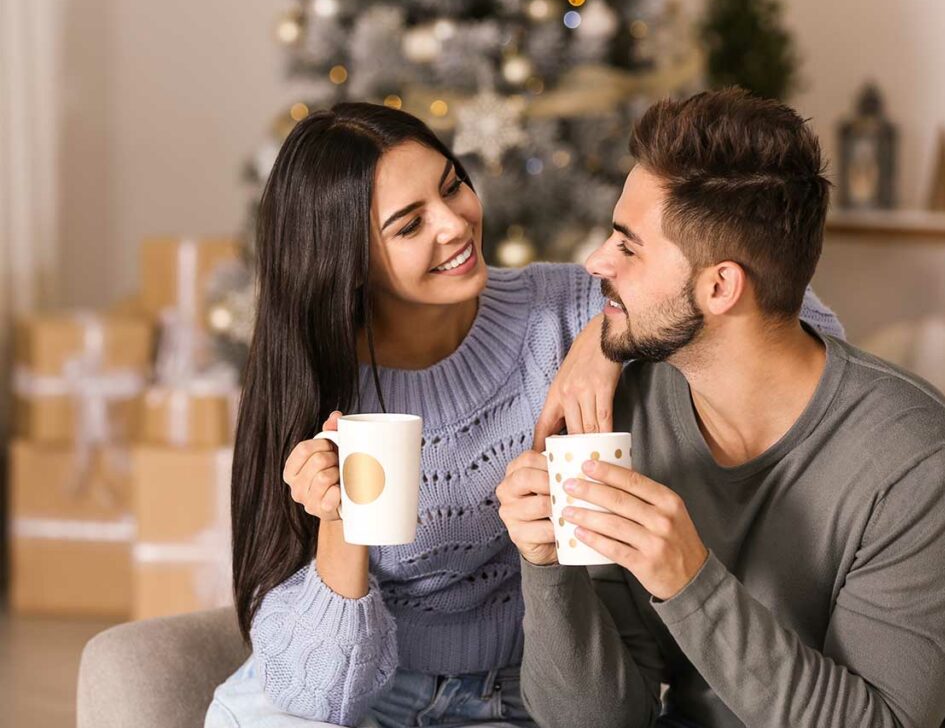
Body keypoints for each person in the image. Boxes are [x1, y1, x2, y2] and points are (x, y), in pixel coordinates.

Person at [204, 101, 843, 728]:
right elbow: (317, 697)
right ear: (345, 261)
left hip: (527, 697)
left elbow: (799, 318)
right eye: (408, 225)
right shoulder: (312, 383)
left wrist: (602, 338)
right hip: (375, 695)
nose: (453, 225)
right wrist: (338, 522)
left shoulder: (559, 311)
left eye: (452, 187)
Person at [498, 88, 945, 728]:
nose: (596, 262)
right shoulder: (631, 413)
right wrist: (547, 568)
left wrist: (688, 580)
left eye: (628, 247)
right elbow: (600, 720)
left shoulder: (919, 462)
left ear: (720, 286)